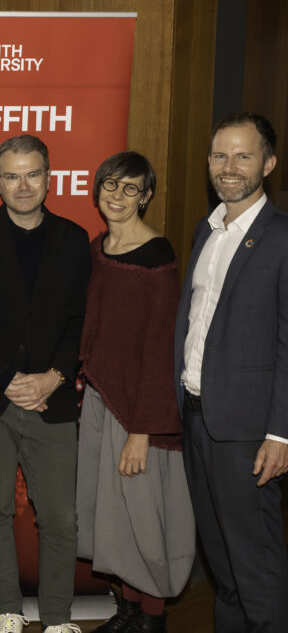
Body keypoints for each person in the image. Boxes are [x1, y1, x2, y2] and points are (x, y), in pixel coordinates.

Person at [0, 135, 90, 633]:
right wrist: (7, 379)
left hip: (53, 400)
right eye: (12, 176)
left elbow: (81, 320)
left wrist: (53, 377)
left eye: (32, 174)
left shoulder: (74, 238)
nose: (23, 186)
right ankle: (7, 611)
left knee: (60, 518)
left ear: (49, 178)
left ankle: (58, 618)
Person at [175, 112, 288, 631]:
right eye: (220, 155)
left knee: (255, 570)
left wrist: (280, 434)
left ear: (268, 163)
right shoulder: (208, 229)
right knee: (223, 568)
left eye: (244, 156)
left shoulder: (281, 238)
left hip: (249, 434)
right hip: (198, 420)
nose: (230, 166)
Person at [76, 151, 194, 633]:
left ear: (145, 197)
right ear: (97, 189)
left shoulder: (156, 258)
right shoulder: (97, 248)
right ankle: (127, 611)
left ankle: (151, 619)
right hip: (101, 400)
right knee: (113, 515)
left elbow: (161, 348)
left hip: (138, 412)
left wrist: (142, 431)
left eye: (131, 188)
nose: (118, 196)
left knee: (144, 517)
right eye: (111, 184)